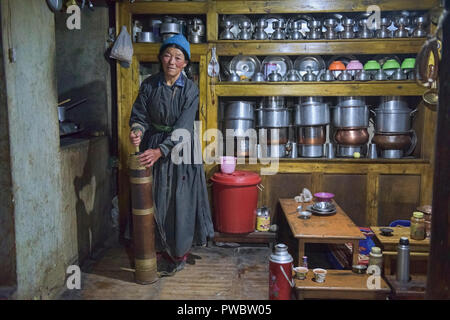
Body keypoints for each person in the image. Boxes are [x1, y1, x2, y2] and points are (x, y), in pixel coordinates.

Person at [129, 35, 214, 276]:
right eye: (167, 55)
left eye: (178, 57)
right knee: (154, 197)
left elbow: (184, 127)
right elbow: (139, 116)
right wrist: (137, 131)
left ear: (185, 63)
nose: (172, 61)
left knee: (180, 200)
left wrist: (161, 151)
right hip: (153, 144)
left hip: (181, 149)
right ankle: (154, 249)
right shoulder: (149, 85)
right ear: (160, 58)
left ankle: (178, 252)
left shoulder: (190, 89)